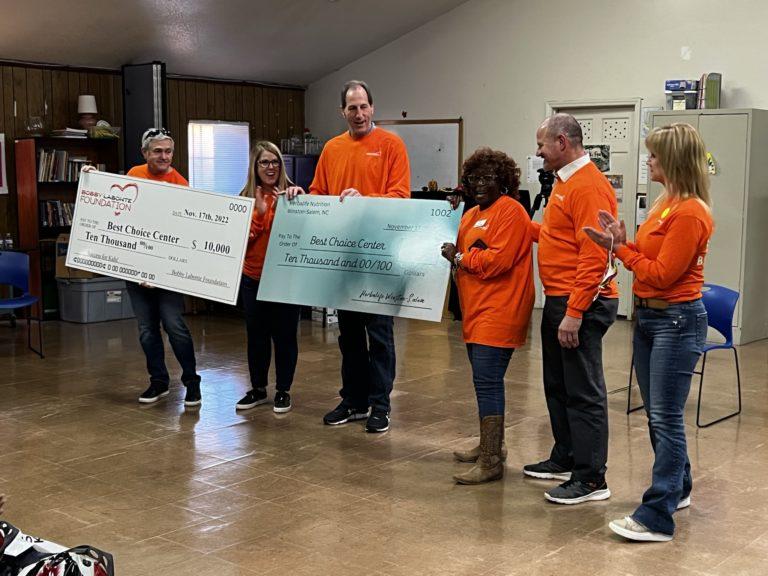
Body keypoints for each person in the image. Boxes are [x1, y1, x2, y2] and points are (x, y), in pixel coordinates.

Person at [584, 123, 713, 541]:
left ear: (672, 159)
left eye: (655, 155)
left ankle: (657, 516)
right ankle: (679, 487)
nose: (649, 161)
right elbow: (649, 257)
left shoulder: (690, 211)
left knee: (665, 416)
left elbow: (661, 274)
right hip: (651, 319)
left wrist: (619, 250)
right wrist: (623, 241)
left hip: (676, 320)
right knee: (659, 414)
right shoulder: (664, 203)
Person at [525, 113, 619, 504]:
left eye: (542, 144)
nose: (538, 152)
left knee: (583, 392)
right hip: (559, 298)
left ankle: (592, 478)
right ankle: (566, 456)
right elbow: (558, 238)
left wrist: (575, 311)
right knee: (558, 386)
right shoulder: (565, 182)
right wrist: (516, 222)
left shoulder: (589, 187)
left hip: (582, 301)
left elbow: (594, 255)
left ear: (562, 142)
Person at [307, 80, 410, 433]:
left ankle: (380, 405)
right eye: (352, 108)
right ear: (343, 112)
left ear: (372, 108)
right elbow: (319, 193)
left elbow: (401, 197)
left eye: (364, 106)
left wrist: (364, 200)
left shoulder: (391, 145)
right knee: (349, 335)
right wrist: (299, 199)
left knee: (379, 334)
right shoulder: (332, 148)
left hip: (380, 257)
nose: (359, 113)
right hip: (343, 258)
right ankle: (354, 400)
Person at [440, 148, 534, 484]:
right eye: (474, 179)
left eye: (488, 178)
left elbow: (497, 261)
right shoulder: (471, 214)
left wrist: (460, 258)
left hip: (501, 309)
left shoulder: (512, 211)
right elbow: (455, 245)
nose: (480, 184)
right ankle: (491, 445)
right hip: (475, 310)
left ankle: (491, 460)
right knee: (484, 381)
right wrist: (448, 213)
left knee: (488, 381)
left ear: (504, 181)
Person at [125, 128, 202, 407]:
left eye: (168, 151)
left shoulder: (180, 183)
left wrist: (158, 271)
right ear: (145, 153)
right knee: (147, 329)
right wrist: (90, 177)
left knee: (174, 326)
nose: (164, 156)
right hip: (136, 269)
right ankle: (158, 381)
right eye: (157, 151)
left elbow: (182, 232)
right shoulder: (133, 175)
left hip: (168, 271)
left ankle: (192, 382)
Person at [236, 141, 305, 413]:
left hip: (285, 280)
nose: (270, 167)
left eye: (275, 161)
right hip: (253, 278)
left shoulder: (293, 195)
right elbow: (239, 243)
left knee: (285, 337)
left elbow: (305, 233)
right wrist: (260, 215)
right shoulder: (244, 198)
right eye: (264, 162)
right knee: (257, 337)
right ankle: (258, 388)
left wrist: (301, 203)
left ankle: (283, 390)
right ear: (255, 166)